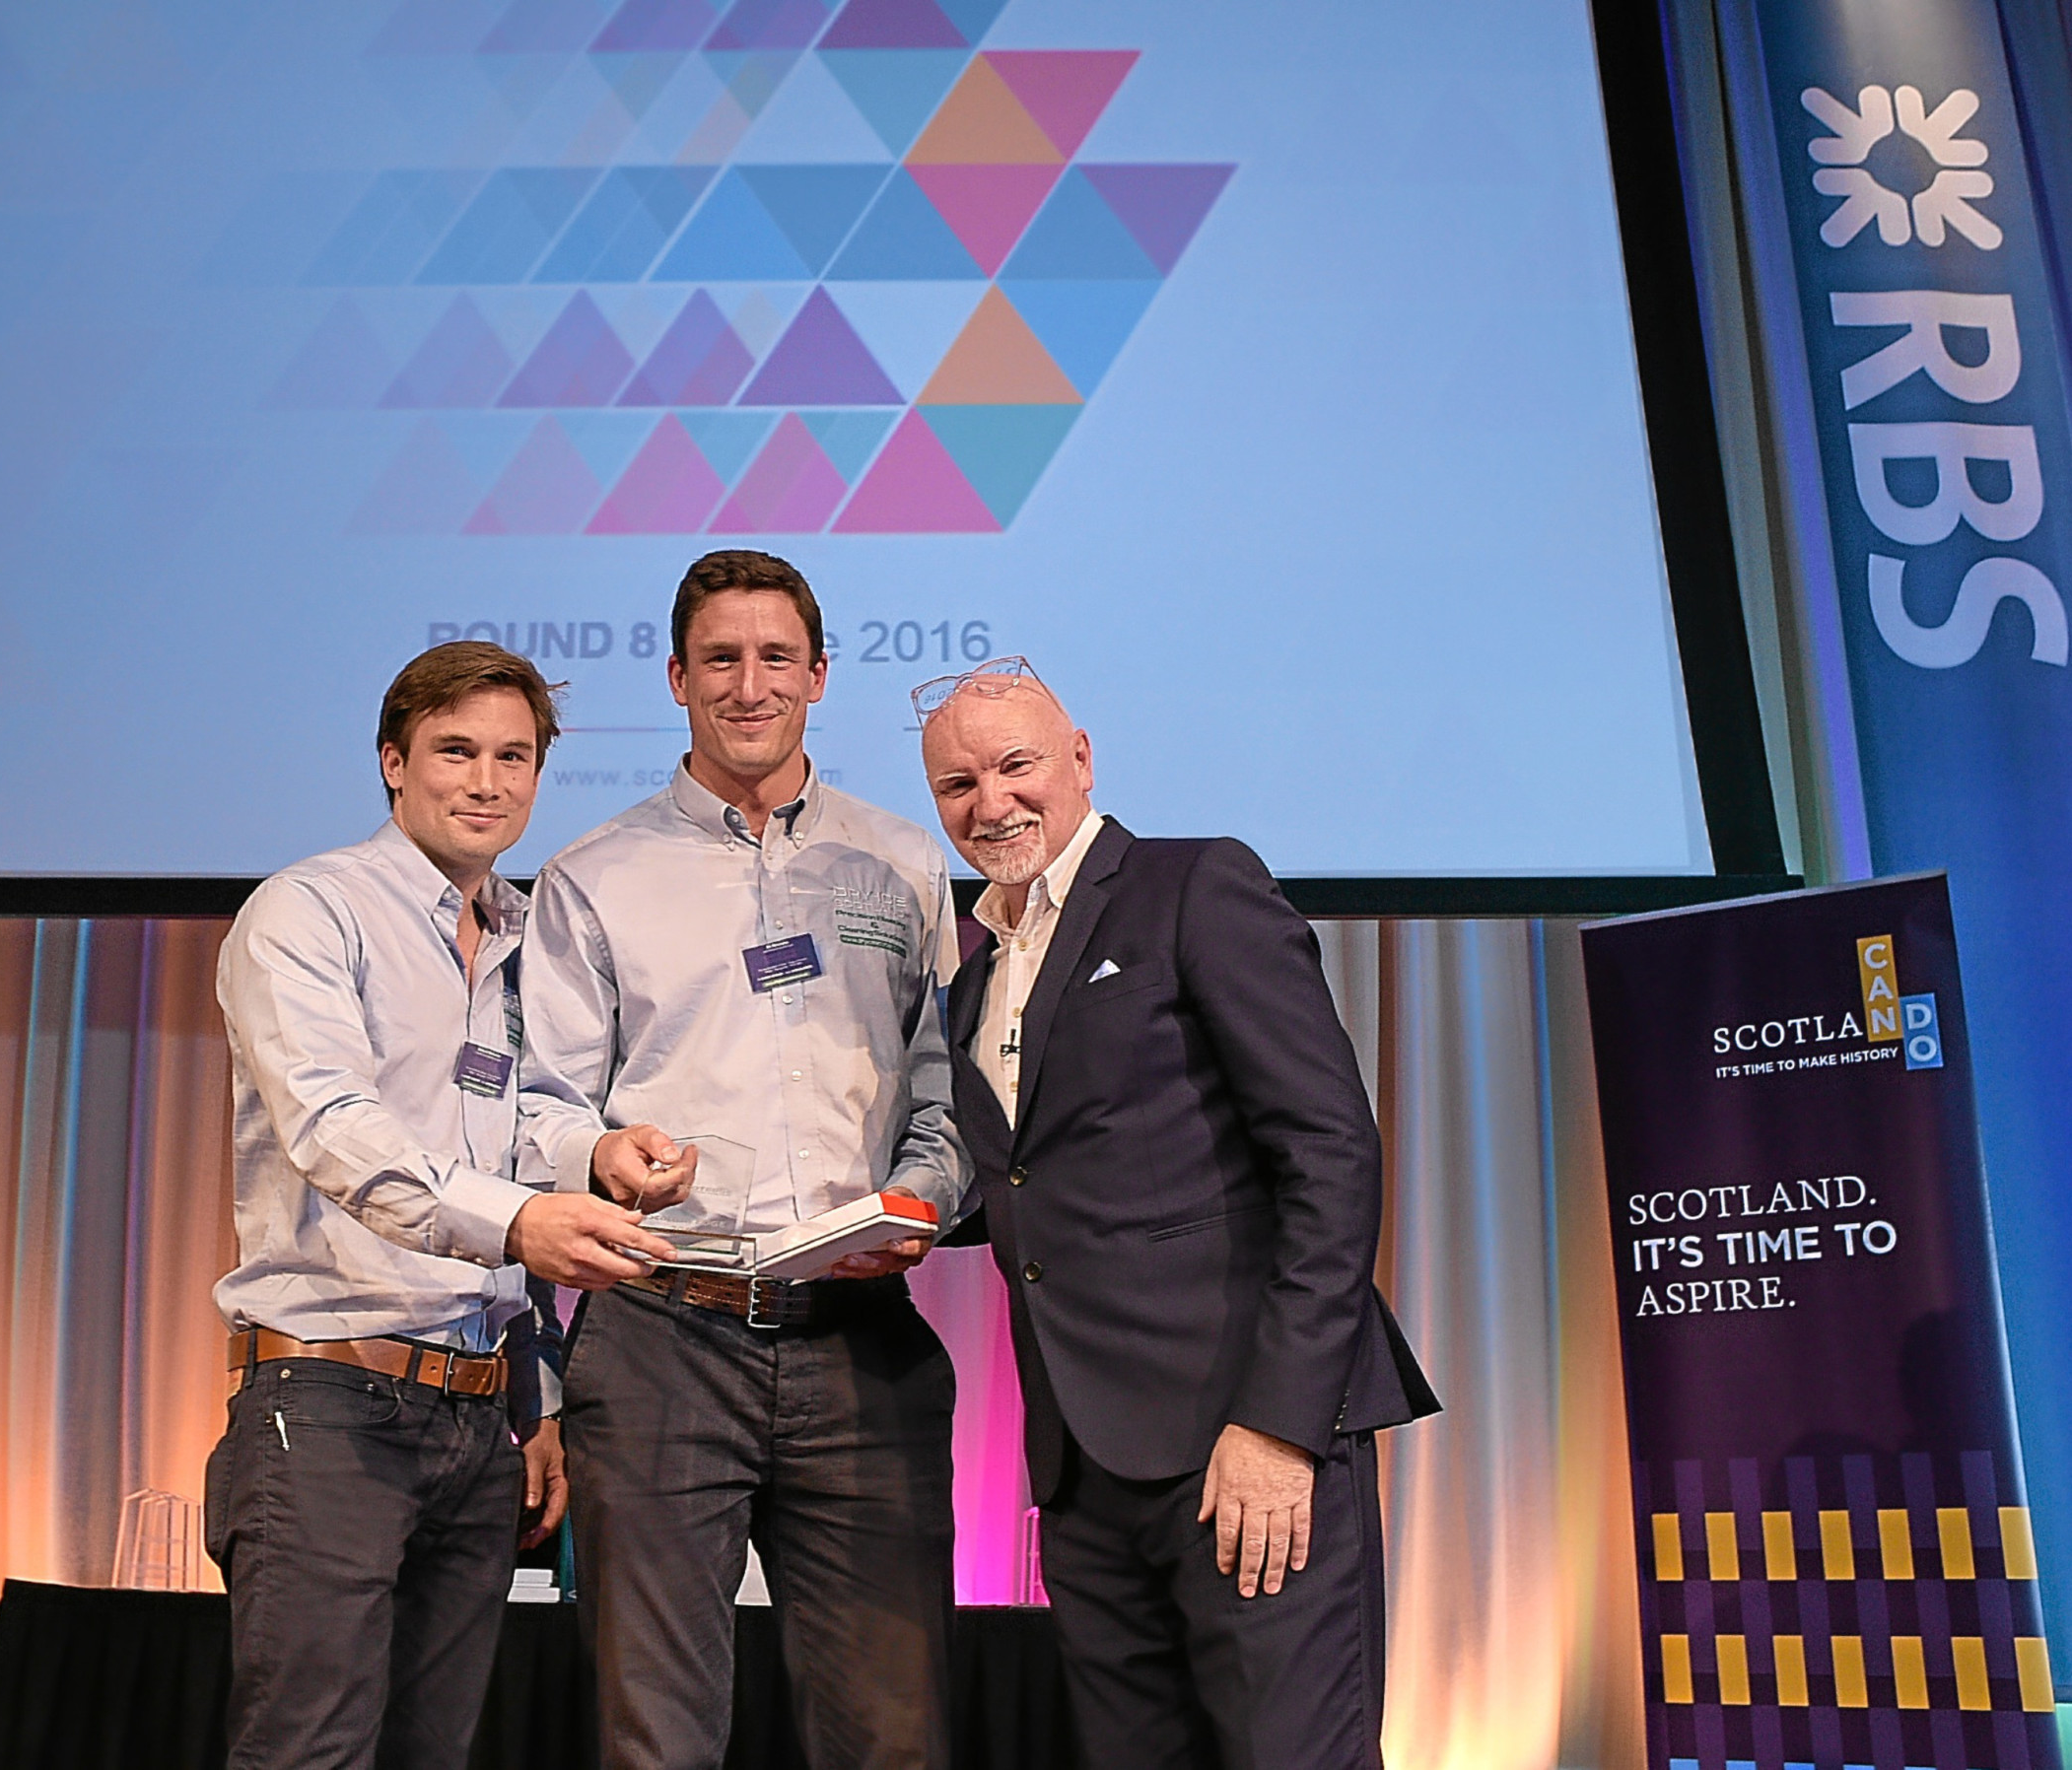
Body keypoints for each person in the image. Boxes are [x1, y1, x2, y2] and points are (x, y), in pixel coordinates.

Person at [915, 657, 1438, 1769]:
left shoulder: (1194, 885)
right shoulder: (972, 980)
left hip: (1244, 1440)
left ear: (1081, 758)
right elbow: (1033, 1183)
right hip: (1082, 1469)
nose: (991, 802)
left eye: (1015, 765)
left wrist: (1281, 1425)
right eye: (958, 784)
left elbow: (1331, 1150)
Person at [516, 550, 969, 1770]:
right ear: (676, 677)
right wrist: (600, 1148)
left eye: (776, 657)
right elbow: (536, 1111)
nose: (749, 683)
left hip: (863, 1338)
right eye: (721, 658)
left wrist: (929, 1189)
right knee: (654, 1739)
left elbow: (949, 1088)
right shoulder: (591, 875)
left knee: (894, 1737)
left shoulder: (902, 864)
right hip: (665, 1337)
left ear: (819, 675)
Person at [207, 641, 677, 1770]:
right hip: (328, 1402)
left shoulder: (529, 938)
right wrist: (522, 1222)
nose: (486, 780)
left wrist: (602, 1153)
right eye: (456, 750)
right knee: (306, 1752)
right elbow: (336, 1133)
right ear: (392, 760)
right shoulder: (309, 911)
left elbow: (522, 1139)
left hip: (480, 1418)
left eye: (513, 756)